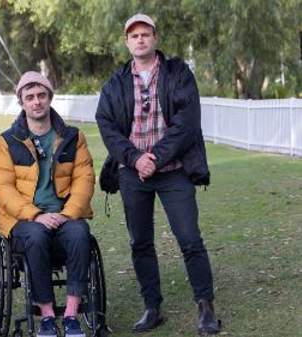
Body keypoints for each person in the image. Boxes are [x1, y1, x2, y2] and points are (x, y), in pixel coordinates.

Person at [95, 13, 221, 335]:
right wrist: (136, 159)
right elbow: (107, 126)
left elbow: (187, 122)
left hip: (174, 171)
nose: (140, 39)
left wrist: (156, 157)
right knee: (140, 243)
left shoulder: (179, 74)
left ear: (155, 38)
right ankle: (152, 307)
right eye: (134, 35)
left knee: (190, 239)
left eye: (145, 34)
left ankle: (206, 307)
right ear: (127, 42)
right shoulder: (115, 83)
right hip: (131, 173)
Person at [0, 71, 95, 337]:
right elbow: (3, 188)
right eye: (30, 97)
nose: (36, 101)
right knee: (35, 237)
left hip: (64, 215)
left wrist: (68, 213)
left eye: (41, 96)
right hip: (24, 219)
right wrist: (35, 215)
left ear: (49, 98)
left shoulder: (73, 137)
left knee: (80, 232)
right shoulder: (7, 141)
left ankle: (72, 314)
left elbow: (84, 178)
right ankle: (47, 316)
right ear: (22, 102)